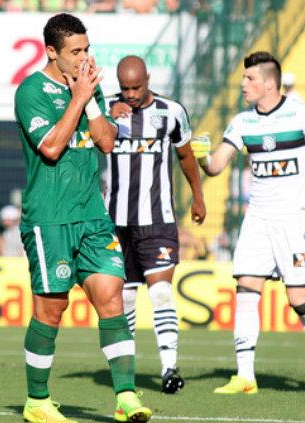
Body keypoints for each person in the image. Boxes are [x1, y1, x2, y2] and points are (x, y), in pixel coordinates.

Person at [14, 13, 151, 423]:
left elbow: (107, 142)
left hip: (92, 215)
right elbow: (52, 148)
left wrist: (89, 97)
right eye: (75, 51)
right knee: (50, 310)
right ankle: (37, 401)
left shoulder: (89, 88)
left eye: (87, 49)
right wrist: (77, 98)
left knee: (111, 297)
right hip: (49, 218)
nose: (83, 58)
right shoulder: (30, 92)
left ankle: (126, 397)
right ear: (52, 52)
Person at [190, 51, 305, 397]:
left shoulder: (301, 114)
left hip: (296, 221)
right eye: (244, 79)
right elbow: (216, 167)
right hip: (257, 218)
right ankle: (245, 376)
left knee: (299, 300)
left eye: (250, 79)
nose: (243, 84)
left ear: (269, 84)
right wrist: (202, 158)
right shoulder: (243, 123)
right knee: (245, 290)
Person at [104, 55, 206, 394]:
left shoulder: (171, 112)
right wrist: (104, 118)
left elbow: (186, 155)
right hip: (116, 222)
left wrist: (198, 196)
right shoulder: (105, 109)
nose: (130, 94)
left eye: (137, 87)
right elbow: (79, 137)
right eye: (125, 89)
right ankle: (128, 371)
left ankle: (169, 368)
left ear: (148, 79)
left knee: (161, 292)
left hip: (157, 219)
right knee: (126, 298)